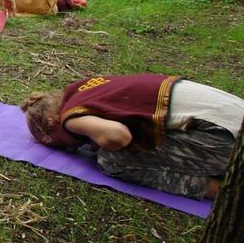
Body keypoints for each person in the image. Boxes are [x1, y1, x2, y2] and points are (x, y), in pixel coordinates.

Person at [22, 75, 242, 200]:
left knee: (112, 161)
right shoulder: (86, 88)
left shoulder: (70, 117)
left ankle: (226, 192)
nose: (70, 149)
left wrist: (92, 136)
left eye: (59, 144)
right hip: (230, 119)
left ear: (52, 122)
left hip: (221, 138)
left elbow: (118, 137)